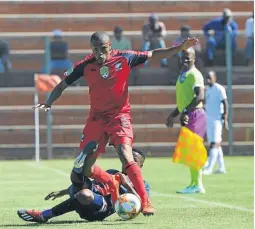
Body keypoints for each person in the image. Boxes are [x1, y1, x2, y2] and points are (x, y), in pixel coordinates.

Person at [34, 30, 198, 215]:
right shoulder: (85, 65)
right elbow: (62, 84)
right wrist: (49, 102)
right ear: (91, 49)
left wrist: (179, 48)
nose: (100, 54)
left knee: (125, 153)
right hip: (96, 118)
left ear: (110, 47)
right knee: (86, 167)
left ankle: (145, 201)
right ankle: (111, 181)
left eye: (103, 49)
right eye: (96, 50)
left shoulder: (125, 58)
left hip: (119, 115)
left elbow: (154, 54)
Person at [17, 149, 150, 223]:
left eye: (134, 160)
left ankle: (44, 215)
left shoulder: (143, 185)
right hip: (89, 194)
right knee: (83, 178)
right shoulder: (113, 173)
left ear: (141, 166)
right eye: (127, 158)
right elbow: (93, 185)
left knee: (84, 194)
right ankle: (81, 163)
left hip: (100, 209)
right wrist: (62, 192)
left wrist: (127, 185)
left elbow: (142, 207)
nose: (128, 162)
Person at [166, 47, 206, 194]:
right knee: (190, 151)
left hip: (195, 114)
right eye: (183, 56)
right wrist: (173, 115)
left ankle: (198, 184)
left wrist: (185, 111)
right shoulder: (183, 74)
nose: (185, 59)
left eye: (188, 56)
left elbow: (200, 97)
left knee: (194, 149)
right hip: (189, 113)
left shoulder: (195, 75)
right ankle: (194, 183)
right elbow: (183, 101)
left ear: (194, 58)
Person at [203, 71, 228, 175]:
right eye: (206, 77)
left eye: (210, 77)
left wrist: (225, 118)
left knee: (214, 143)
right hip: (209, 119)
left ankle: (209, 167)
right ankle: (221, 167)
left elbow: (225, 103)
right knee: (215, 143)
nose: (208, 79)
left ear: (215, 78)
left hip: (217, 119)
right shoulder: (208, 90)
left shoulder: (219, 89)